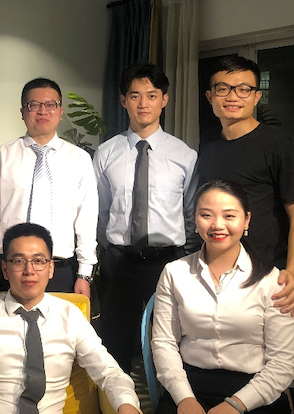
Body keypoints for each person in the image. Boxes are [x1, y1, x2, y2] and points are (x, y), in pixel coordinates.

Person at [0, 222, 141, 414]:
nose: (29, 270)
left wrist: (126, 404)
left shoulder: (69, 315)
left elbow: (108, 372)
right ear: (4, 269)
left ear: (51, 268)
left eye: (38, 261)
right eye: (18, 261)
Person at [152, 179, 294, 414]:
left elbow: (283, 362)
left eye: (229, 216)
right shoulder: (174, 273)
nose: (217, 225)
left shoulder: (272, 280)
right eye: (206, 215)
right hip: (189, 386)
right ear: (195, 219)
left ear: (246, 220)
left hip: (255, 389)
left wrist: (235, 406)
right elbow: (164, 343)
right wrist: (184, 398)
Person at [93, 63, 197, 372]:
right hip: (119, 262)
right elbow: (101, 209)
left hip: (167, 262)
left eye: (152, 95)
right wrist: (110, 248)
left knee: (171, 342)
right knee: (114, 344)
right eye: (135, 95)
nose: (143, 103)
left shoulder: (185, 155)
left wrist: (182, 253)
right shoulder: (106, 153)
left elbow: (191, 212)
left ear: (164, 100)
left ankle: (169, 396)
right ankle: (117, 396)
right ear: (123, 100)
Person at [197, 55, 294, 316]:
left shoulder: (278, 145)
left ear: (257, 96)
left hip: (263, 273)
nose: (233, 97)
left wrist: (292, 273)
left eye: (243, 89)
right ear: (210, 96)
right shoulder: (207, 143)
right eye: (223, 89)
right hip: (212, 271)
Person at [0, 78, 98, 296]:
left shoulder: (79, 159)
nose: (42, 111)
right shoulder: (2, 155)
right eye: (34, 105)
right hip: (12, 266)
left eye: (50, 105)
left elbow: (87, 219)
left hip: (60, 268)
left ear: (60, 111)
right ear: (22, 112)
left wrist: (84, 273)